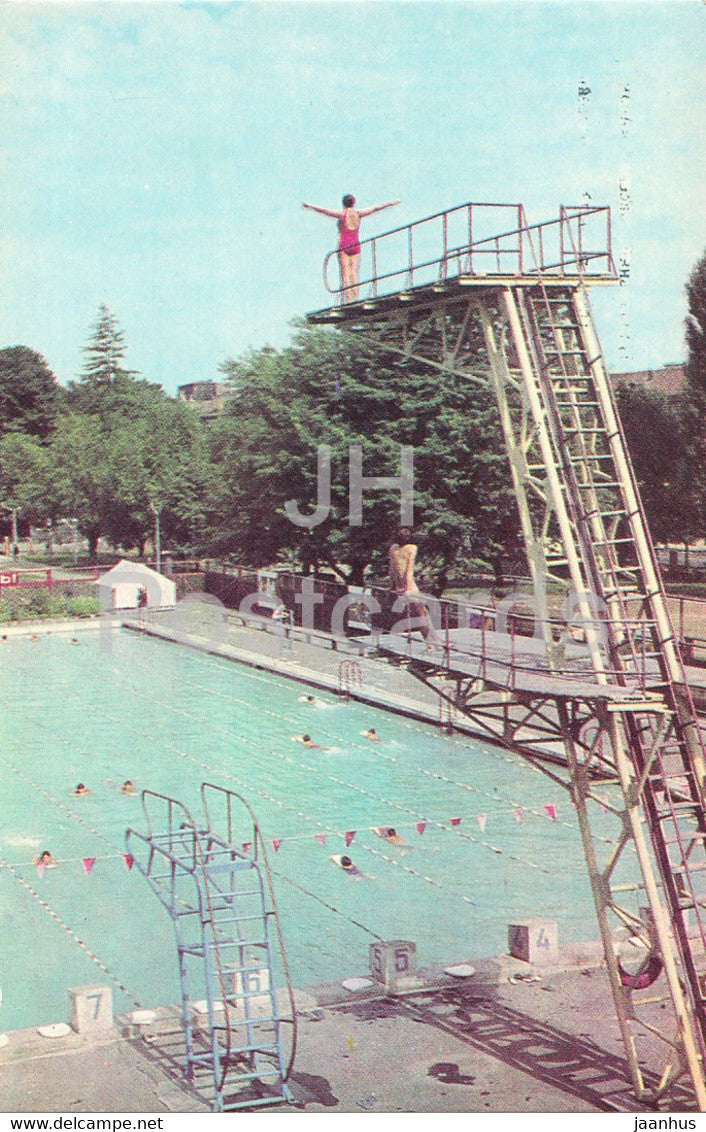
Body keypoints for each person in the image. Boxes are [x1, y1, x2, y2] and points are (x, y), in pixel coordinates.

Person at [302, 195, 400, 303]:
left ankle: (349, 300)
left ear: (343, 203)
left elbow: (325, 211)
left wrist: (309, 206)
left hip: (344, 244)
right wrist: (391, 202)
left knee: (345, 274)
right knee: (354, 273)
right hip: (355, 244)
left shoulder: (342, 214)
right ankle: (356, 298)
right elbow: (375, 208)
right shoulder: (358, 214)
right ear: (353, 203)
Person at [388, 527, 437, 642]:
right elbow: (409, 570)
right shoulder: (411, 548)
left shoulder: (393, 549)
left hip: (399, 587)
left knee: (421, 613)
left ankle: (433, 640)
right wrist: (407, 587)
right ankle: (432, 641)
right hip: (409, 587)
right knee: (421, 614)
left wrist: (392, 586)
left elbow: (392, 570)